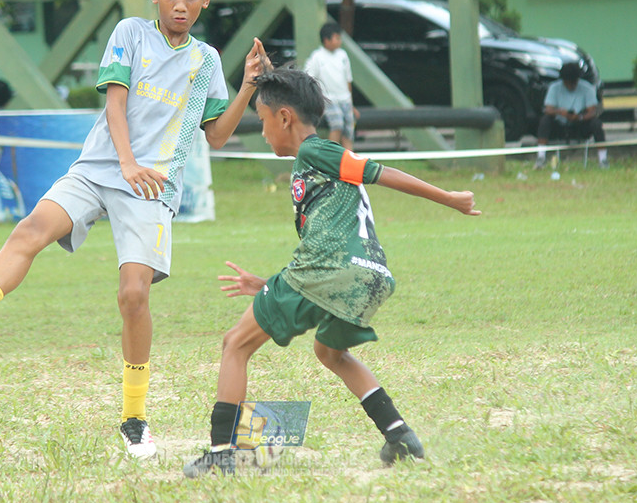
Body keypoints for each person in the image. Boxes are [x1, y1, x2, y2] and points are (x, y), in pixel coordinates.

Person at [0, 0, 269, 460]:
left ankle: (135, 418)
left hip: (152, 188)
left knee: (133, 296)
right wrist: (123, 161)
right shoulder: (131, 34)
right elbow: (116, 106)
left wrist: (249, 87)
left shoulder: (208, 62)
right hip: (102, 166)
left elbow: (216, 135)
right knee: (31, 228)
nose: (180, 3)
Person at [183, 68, 480, 478]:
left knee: (235, 344)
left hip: (327, 271)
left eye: (262, 119)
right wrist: (269, 284)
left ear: (284, 117)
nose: (262, 130)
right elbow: (326, 244)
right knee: (330, 352)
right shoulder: (313, 165)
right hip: (371, 275)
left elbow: (377, 170)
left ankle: (221, 454)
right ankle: (400, 436)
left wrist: (448, 198)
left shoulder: (314, 152)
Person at [534, 62, 608, 169]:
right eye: (568, 82)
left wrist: (580, 117)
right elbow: (548, 109)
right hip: (560, 124)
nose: (571, 85)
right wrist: (560, 112)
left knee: (596, 124)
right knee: (545, 121)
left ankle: (603, 159)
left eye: (574, 82)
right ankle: (541, 158)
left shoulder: (587, 89)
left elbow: (593, 111)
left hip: (580, 125)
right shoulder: (554, 88)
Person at [304, 22, 356, 149]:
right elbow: (308, 78)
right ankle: (331, 156)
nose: (339, 41)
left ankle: (350, 162)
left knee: (349, 131)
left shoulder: (343, 55)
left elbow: (348, 79)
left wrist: (351, 103)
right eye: (336, 38)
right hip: (329, 99)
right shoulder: (317, 57)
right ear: (326, 40)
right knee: (337, 125)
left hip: (345, 98)